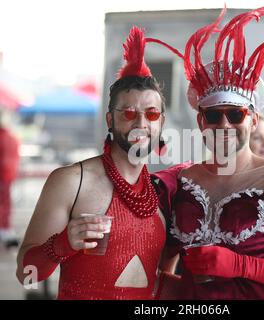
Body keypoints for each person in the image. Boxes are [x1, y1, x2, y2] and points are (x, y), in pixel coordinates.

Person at [152, 7, 264, 299]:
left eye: (235, 114)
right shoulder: (181, 182)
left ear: (253, 120)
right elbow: (161, 267)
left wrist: (238, 265)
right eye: (213, 116)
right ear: (200, 122)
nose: (224, 124)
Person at [16, 27, 169, 299]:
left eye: (152, 114)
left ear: (162, 122)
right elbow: (26, 275)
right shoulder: (72, 181)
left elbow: (157, 280)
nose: (141, 123)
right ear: (110, 121)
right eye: (130, 113)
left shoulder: (162, 191)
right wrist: (62, 245)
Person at [0, 109, 20, 248]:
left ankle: (4, 229)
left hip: (2, 174)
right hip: (8, 175)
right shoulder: (12, 137)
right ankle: (5, 229)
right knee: (6, 204)